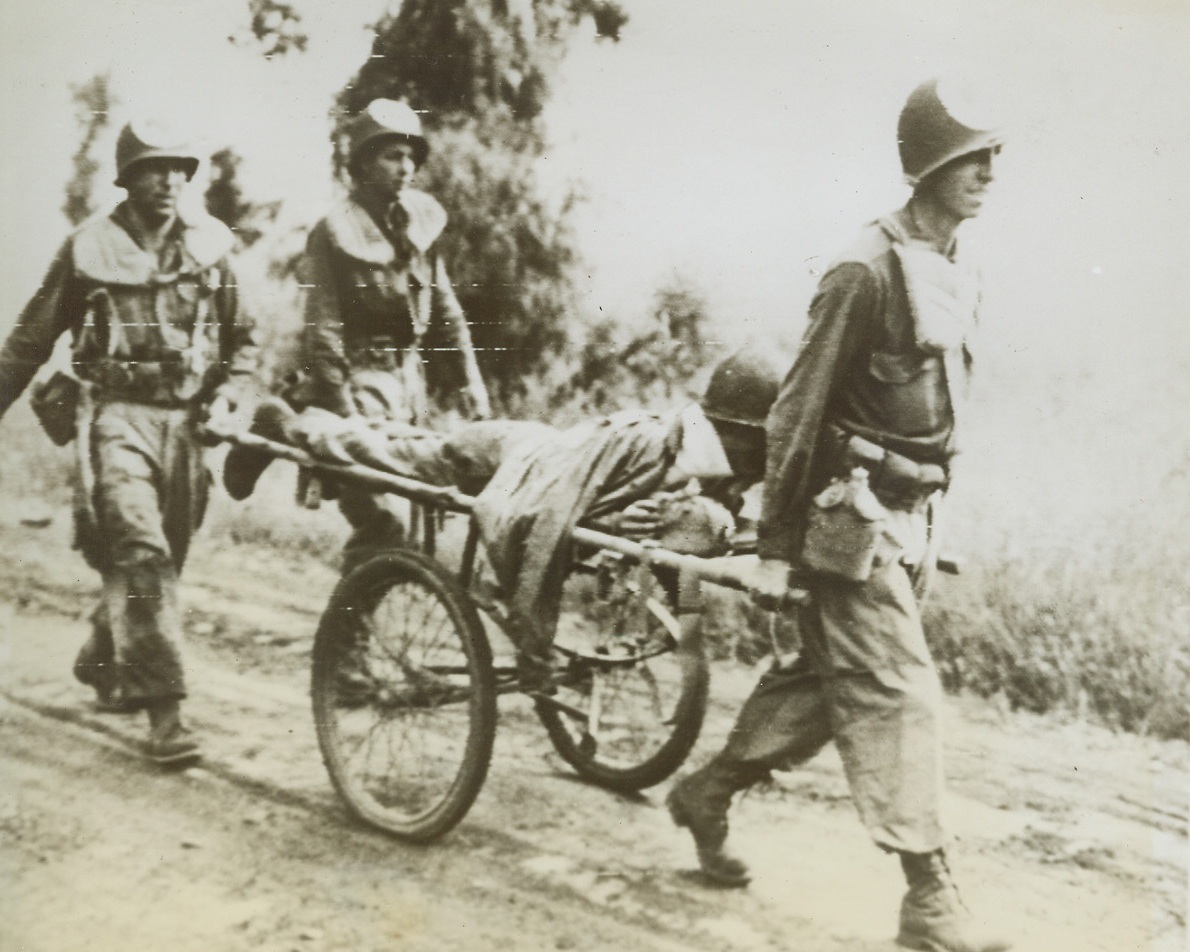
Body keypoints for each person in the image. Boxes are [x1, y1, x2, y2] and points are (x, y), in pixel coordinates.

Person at [665, 78, 1015, 952]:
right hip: (843, 520)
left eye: (993, 156)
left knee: (827, 685)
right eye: (971, 156)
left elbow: (937, 400)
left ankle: (707, 791)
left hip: (907, 516)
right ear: (928, 164)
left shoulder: (954, 265)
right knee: (900, 691)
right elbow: (795, 415)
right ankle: (929, 896)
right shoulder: (863, 270)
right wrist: (778, 550)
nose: (988, 171)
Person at [224, 348, 781, 670]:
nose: (759, 463)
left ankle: (315, 426)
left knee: (405, 443)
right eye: (758, 446)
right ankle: (290, 425)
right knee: (399, 453)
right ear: (731, 433)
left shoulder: (708, 467)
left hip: (543, 454)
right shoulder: (646, 443)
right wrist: (532, 638)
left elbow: (693, 531)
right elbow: (542, 519)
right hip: (522, 460)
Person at [0, 118, 260, 766]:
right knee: (142, 552)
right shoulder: (88, 249)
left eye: (179, 167)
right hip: (115, 417)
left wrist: (231, 396)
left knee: (165, 555)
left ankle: (102, 652)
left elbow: (244, 339)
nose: (170, 180)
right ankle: (165, 718)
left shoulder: (209, 248)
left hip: (189, 425)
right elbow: (32, 338)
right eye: (154, 167)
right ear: (127, 177)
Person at [289, 98, 491, 572]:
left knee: (409, 528)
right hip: (356, 385)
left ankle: (349, 636)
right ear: (362, 163)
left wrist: (471, 383)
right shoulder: (334, 232)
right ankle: (347, 638)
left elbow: (445, 310)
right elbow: (322, 329)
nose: (404, 168)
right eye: (390, 156)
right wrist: (343, 413)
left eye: (409, 157)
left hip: (407, 386)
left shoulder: (418, 227)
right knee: (383, 521)